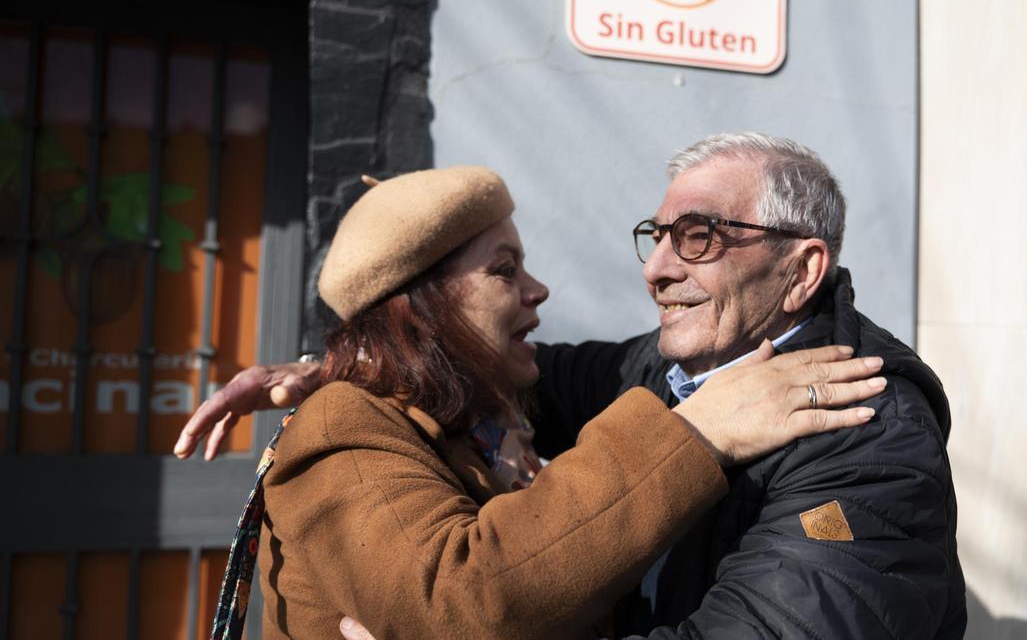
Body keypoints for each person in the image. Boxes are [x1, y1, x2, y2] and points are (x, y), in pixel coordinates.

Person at [179, 133, 966, 638]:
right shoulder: (669, 375)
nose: (656, 269)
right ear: (425, 309)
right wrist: (331, 368)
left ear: (801, 270)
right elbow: (464, 584)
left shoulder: (864, 431)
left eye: (699, 237)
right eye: (657, 237)